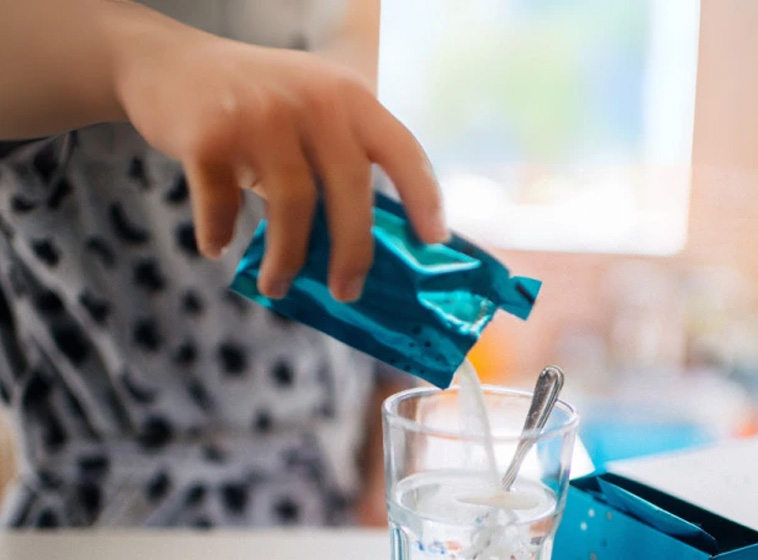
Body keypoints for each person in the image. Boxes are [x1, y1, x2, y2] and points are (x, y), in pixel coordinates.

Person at [0, 0, 446, 528]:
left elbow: (389, 362)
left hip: (326, 517)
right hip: (103, 533)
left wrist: (380, 491)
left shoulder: (327, 77)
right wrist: (137, 59)